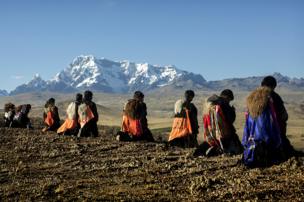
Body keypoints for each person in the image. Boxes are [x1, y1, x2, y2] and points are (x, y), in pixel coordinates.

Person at [260, 76, 301, 158]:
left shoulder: (253, 98)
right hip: (274, 132)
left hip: (255, 135)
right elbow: (284, 116)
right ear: (273, 86)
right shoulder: (275, 96)